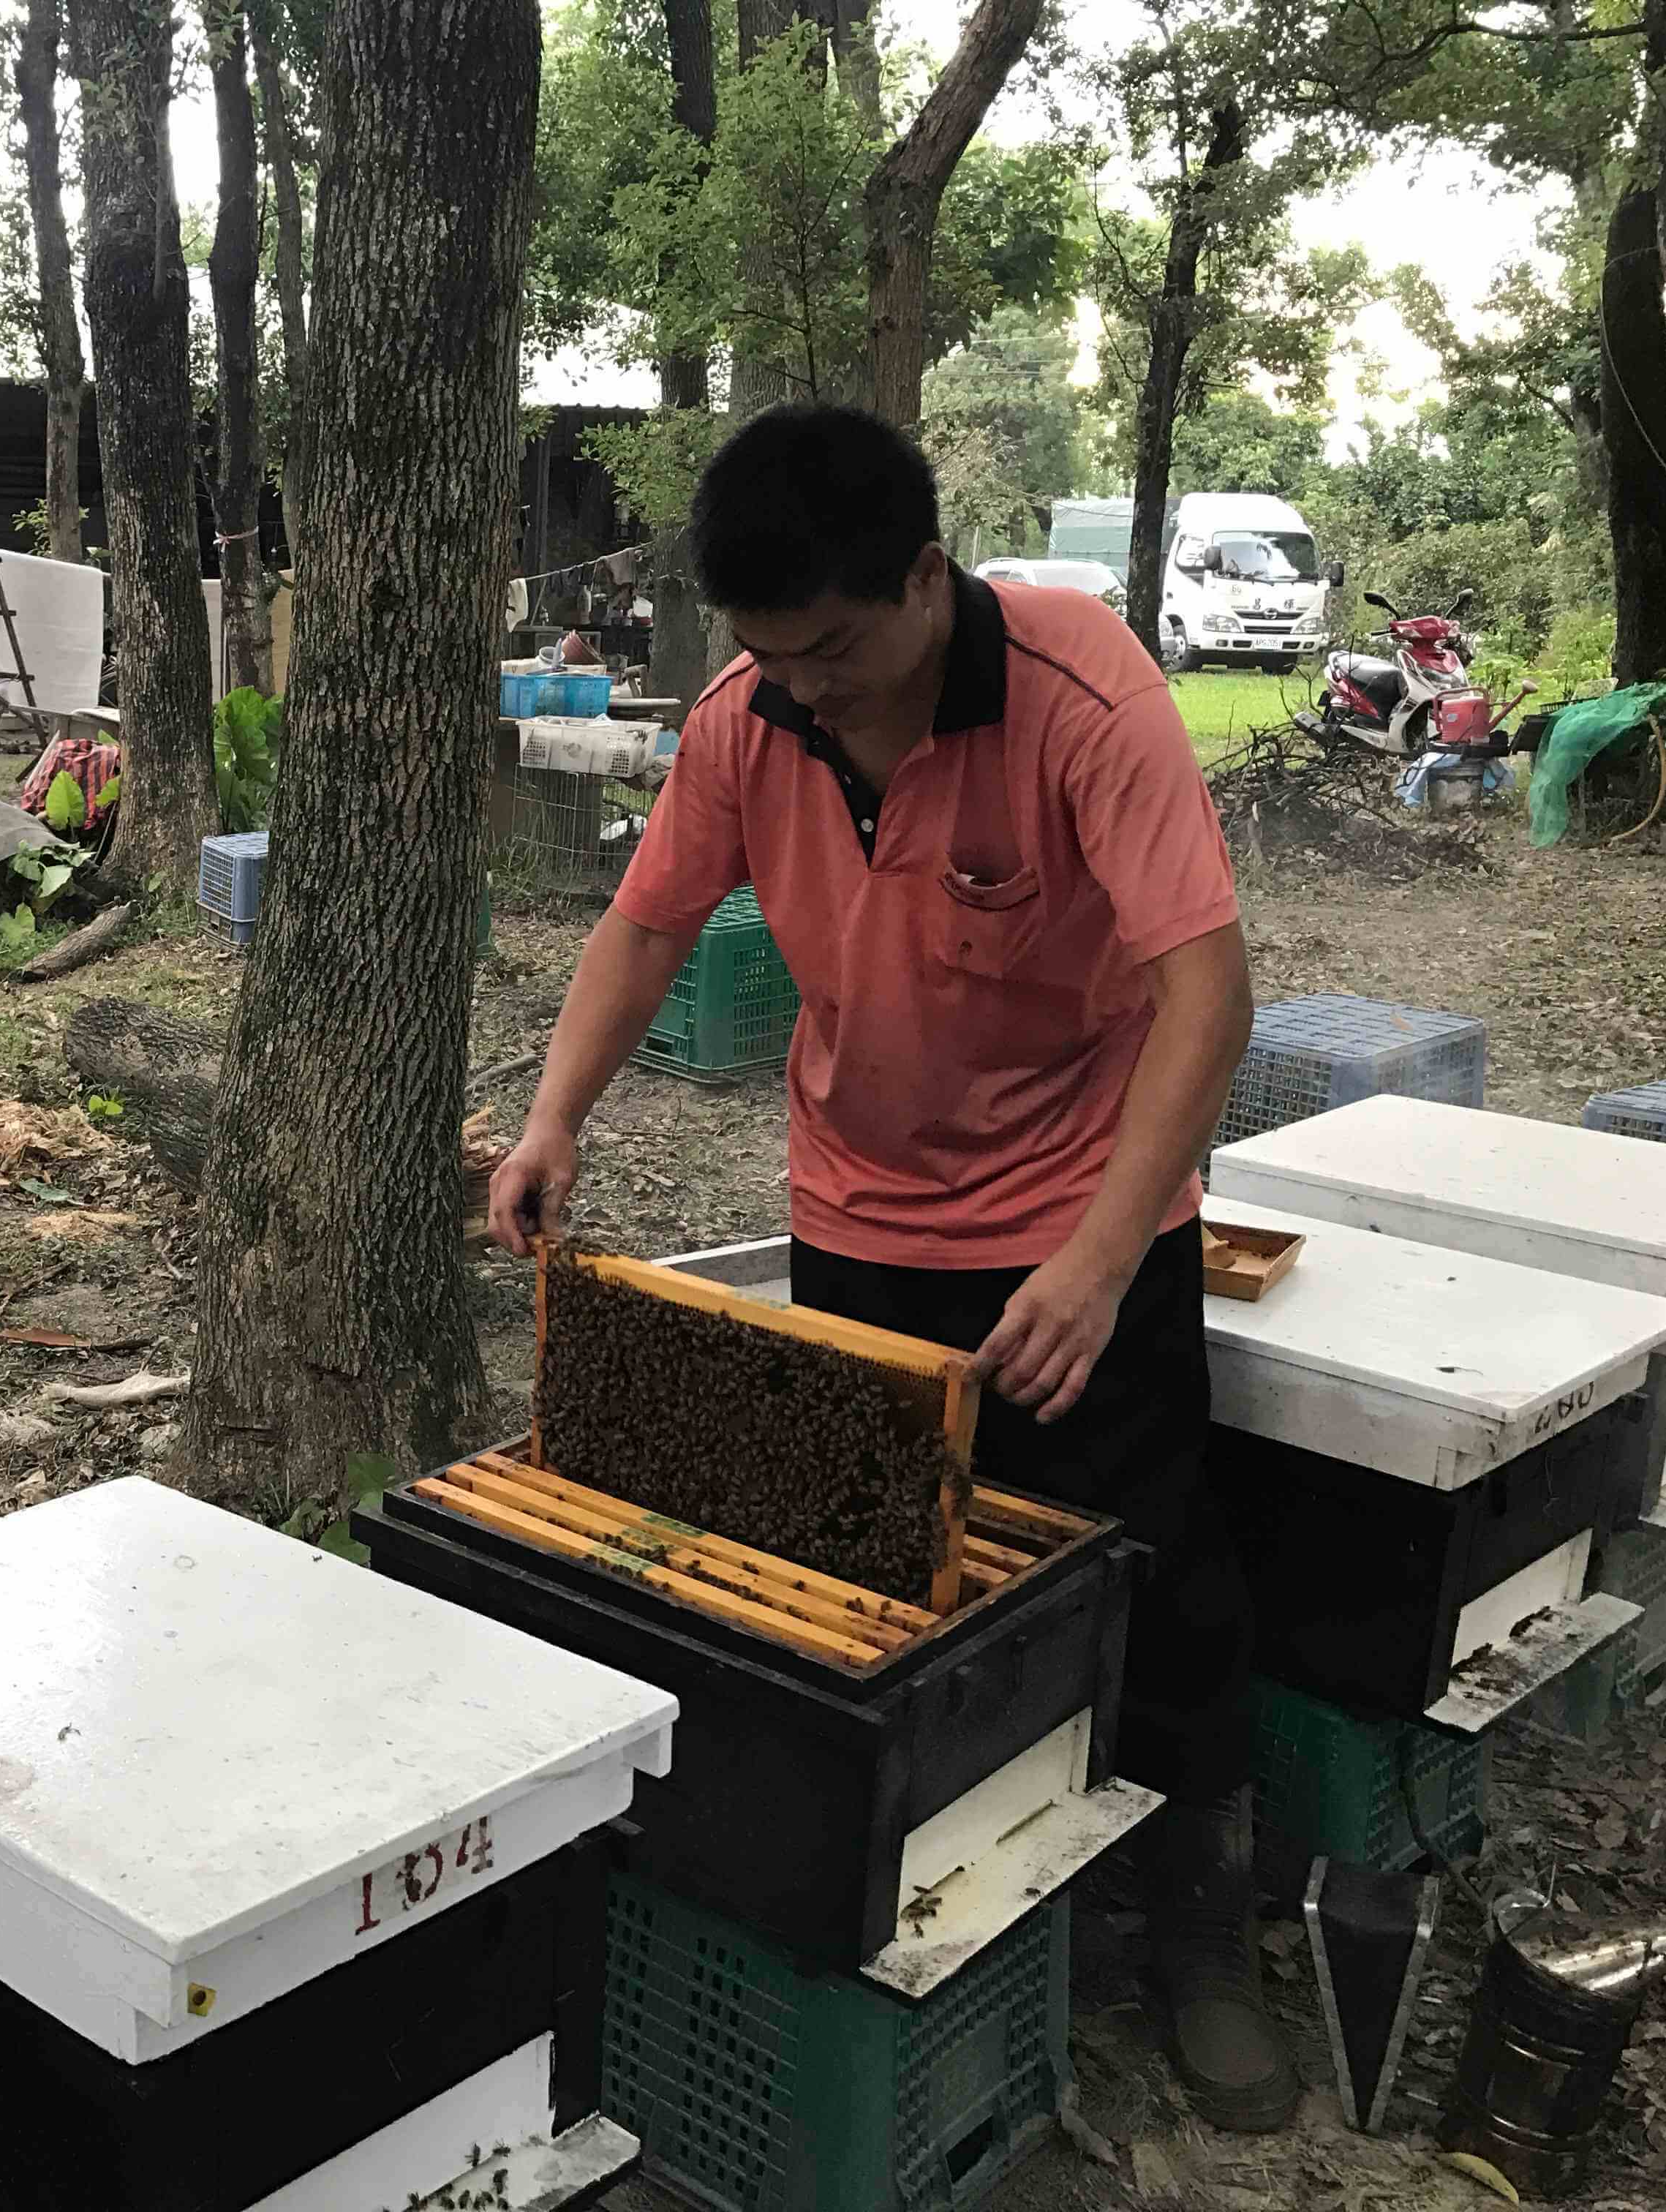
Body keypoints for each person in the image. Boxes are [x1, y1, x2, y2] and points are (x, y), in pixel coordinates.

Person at [489, 404, 1288, 2132]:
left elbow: (1207, 995)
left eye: (839, 651)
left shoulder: (1085, 693)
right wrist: (553, 1119)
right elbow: (647, 921)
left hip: (1087, 1213)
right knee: (884, 1578)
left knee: (1145, 1568)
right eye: (777, 661)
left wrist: (1092, 1258)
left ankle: (1203, 1928)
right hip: (860, 1207)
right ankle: (938, 1890)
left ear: (927, 577)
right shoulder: (749, 716)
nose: (811, 690)